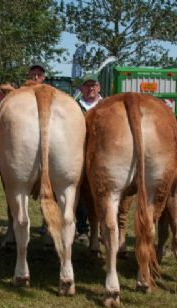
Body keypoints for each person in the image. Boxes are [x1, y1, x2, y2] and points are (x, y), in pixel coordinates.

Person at [75, 76, 103, 243]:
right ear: (81, 89)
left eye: (93, 85)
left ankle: (98, 229)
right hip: (80, 152)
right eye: (87, 86)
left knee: (99, 193)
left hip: (101, 155)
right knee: (80, 192)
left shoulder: (107, 105)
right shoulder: (76, 106)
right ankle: (82, 228)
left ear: (98, 87)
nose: (91, 88)